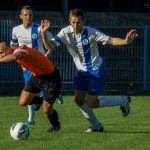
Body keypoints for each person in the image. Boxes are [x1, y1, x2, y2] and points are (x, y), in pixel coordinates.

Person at [40, 8, 137, 132]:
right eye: (73, 22)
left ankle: (123, 100)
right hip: (81, 72)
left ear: (83, 21)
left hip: (96, 70)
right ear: (69, 20)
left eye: (78, 22)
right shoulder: (64, 32)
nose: (75, 25)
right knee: (78, 100)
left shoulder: (91, 32)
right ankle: (96, 125)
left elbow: (111, 40)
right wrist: (43, 33)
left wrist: (125, 41)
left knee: (91, 103)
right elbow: (49, 46)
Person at [10, 5, 63, 126]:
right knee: (30, 94)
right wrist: (17, 56)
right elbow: (13, 46)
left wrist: (47, 52)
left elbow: (51, 44)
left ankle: (31, 119)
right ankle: (33, 117)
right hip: (26, 66)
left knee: (35, 94)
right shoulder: (15, 30)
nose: (28, 17)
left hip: (39, 66)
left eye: (30, 15)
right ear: (21, 16)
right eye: (25, 14)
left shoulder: (39, 29)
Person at [0, 42, 61, 132]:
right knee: (23, 102)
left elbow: (14, 57)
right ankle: (43, 100)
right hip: (36, 76)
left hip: (50, 78)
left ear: (9, 49)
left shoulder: (19, 51)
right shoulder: (14, 49)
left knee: (47, 109)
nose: (1, 55)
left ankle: (56, 125)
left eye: (1, 52)